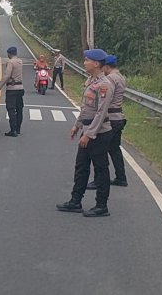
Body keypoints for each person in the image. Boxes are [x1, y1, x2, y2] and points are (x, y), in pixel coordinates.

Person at [56, 49, 115, 217]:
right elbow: (85, 108)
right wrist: (77, 125)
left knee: (100, 169)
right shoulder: (91, 81)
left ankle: (101, 205)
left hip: (100, 133)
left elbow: (101, 112)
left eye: (87, 60)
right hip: (87, 129)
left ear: (96, 64)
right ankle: (76, 201)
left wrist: (89, 134)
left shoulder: (104, 85)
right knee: (81, 167)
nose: (84, 62)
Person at [87, 54, 128, 189]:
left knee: (100, 150)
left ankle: (99, 180)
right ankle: (121, 177)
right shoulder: (121, 77)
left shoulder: (109, 79)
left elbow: (104, 99)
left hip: (110, 117)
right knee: (115, 149)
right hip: (119, 116)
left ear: (106, 67)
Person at [0, 46, 24, 137]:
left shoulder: (10, 62)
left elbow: (7, 76)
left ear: (9, 54)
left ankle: (13, 130)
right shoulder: (20, 61)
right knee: (19, 109)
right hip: (20, 88)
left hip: (12, 88)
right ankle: (18, 129)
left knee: (11, 109)